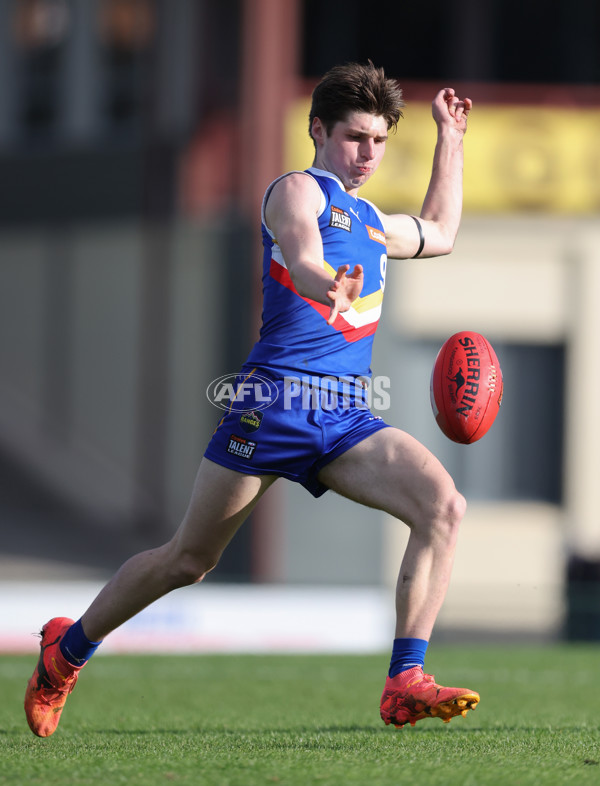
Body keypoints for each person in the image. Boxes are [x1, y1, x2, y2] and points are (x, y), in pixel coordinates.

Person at [25, 61, 478, 737]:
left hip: (345, 416)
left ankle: (404, 681)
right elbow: (300, 254)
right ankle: (66, 652)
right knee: (188, 560)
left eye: (379, 142)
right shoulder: (298, 191)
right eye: (356, 137)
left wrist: (451, 138)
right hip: (273, 407)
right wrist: (327, 283)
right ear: (318, 129)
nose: (367, 154)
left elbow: (440, 232)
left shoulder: (376, 225)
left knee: (443, 507)